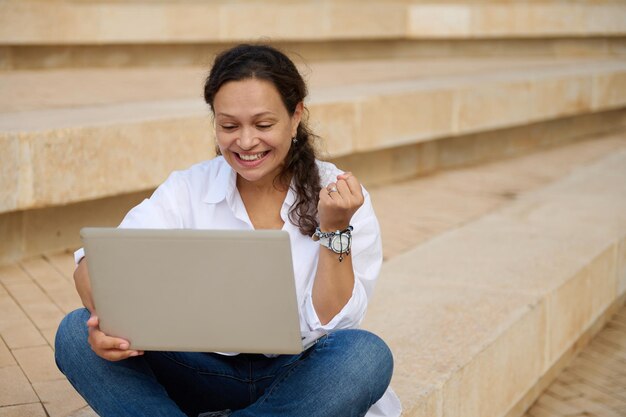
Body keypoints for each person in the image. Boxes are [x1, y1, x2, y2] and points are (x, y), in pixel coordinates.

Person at [55, 44, 401, 417]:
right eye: (229, 126)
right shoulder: (190, 187)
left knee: (365, 355)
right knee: (76, 333)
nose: (246, 142)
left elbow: (336, 322)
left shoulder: (341, 196)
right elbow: (94, 265)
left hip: (298, 375)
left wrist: (334, 229)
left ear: (296, 114)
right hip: (199, 370)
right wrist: (106, 319)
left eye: (263, 124)